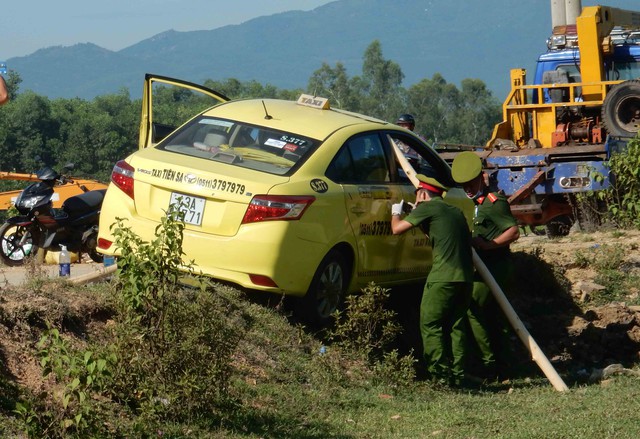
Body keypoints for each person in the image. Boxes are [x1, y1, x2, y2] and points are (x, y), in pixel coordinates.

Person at [390, 174, 474, 387]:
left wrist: (396, 213)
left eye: (417, 196)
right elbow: (438, 235)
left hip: (442, 277)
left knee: (430, 324)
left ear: (424, 194)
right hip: (465, 278)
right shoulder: (454, 211)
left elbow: (396, 229)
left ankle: (439, 375)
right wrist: (418, 217)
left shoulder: (427, 208)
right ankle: (458, 375)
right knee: (456, 325)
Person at [451, 151, 520, 380]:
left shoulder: (494, 203)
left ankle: (489, 363)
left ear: (481, 178)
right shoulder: (470, 203)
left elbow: (513, 231)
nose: (467, 188)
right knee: (493, 317)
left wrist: (489, 245)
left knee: (474, 308)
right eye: (463, 185)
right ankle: (500, 365)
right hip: (480, 268)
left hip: (495, 266)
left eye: (470, 183)